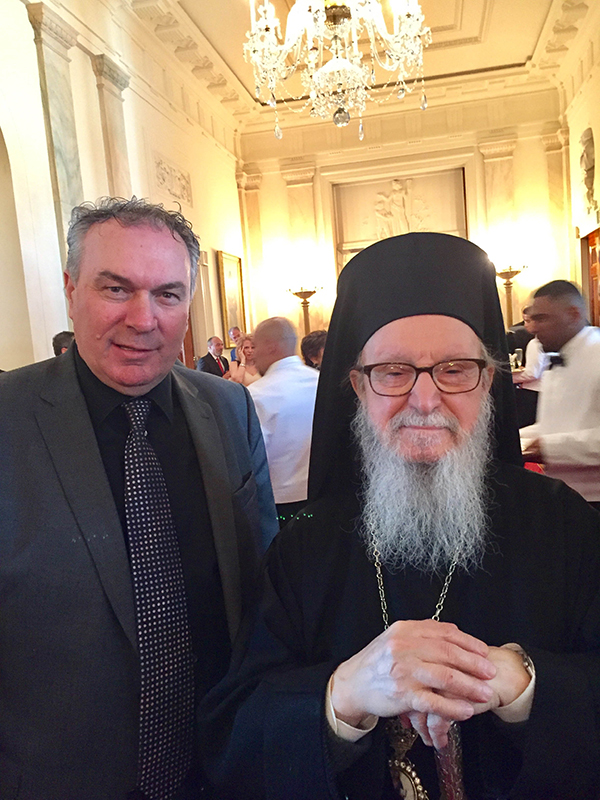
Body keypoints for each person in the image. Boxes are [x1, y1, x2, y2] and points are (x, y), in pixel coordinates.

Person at [201, 233, 600, 800]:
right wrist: (342, 696)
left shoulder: (564, 526)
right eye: (392, 372)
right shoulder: (306, 545)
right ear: (357, 387)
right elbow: (233, 736)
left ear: (488, 382)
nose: (425, 400)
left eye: (455, 370)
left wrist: (524, 683)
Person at [0, 197, 278, 800]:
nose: (143, 318)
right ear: (71, 290)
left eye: (167, 294)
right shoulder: (9, 418)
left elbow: (263, 581)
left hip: (221, 769)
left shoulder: (228, 408)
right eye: (116, 289)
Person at [521, 280, 600, 508]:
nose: (532, 328)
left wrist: (547, 447)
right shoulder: (559, 356)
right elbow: (556, 424)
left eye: (542, 318)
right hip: (565, 495)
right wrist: (513, 438)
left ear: (574, 314)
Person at [248, 317, 319, 527]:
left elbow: (250, 460)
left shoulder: (257, 395)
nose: (252, 355)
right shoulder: (321, 383)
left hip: (280, 509)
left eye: (255, 346)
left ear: (271, 346)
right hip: (324, 501)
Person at [512, 308, 550, 427]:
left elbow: (532, 373)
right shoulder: (554, 341)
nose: (525, 325)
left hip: (532, 393)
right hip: (544, 391)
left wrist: (509, 378)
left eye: (528, 321)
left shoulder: (536, 343)